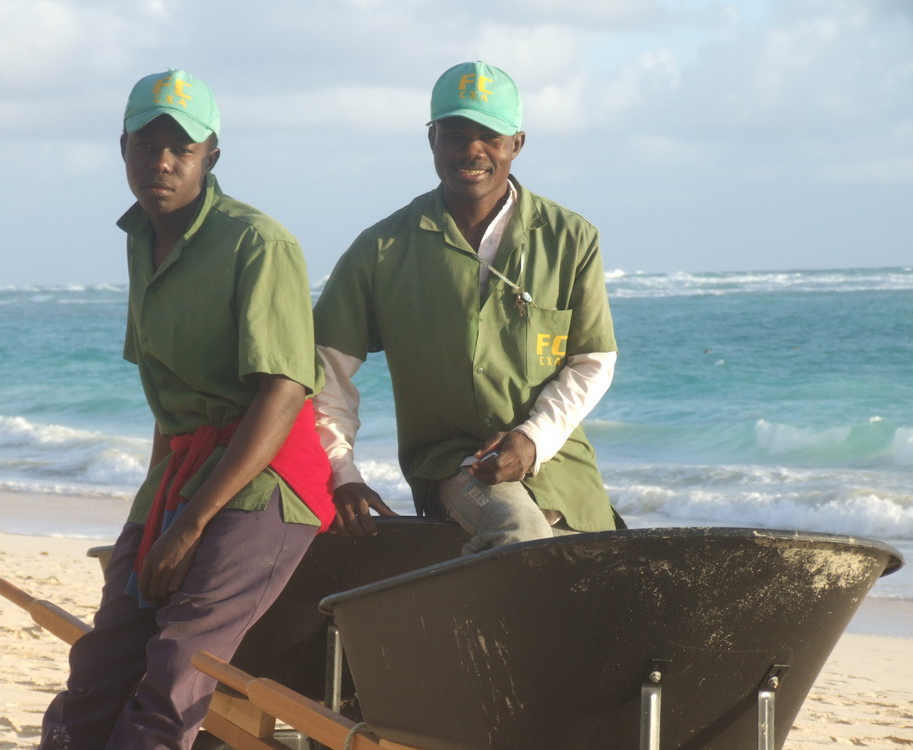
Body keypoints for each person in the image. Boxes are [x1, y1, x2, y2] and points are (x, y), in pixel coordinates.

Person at [40, 69, 335, 750]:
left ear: (212, 157)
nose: (162, 162)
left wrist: (191, 523)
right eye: (147, 145)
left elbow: (284, 392)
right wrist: (149, 516)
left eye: (181, 148)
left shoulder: (257, 243)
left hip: (265, 480)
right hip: (179, 471)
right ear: (123, 150)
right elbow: (166, 400)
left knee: (178, 668)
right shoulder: (140, 239)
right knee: (100, 664)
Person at [313, 61, 622, 555]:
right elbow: (325, 368)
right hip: (457, 467)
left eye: (490, 136)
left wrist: (532, 439)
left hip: (562, 467)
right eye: (455, 133)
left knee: (611, 573)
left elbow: (593, 361)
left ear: (516, 144)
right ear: (432, 138)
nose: (471, 150)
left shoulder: (572, 239)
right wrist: (341, 473)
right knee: (519, 535)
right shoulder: (382, 249)